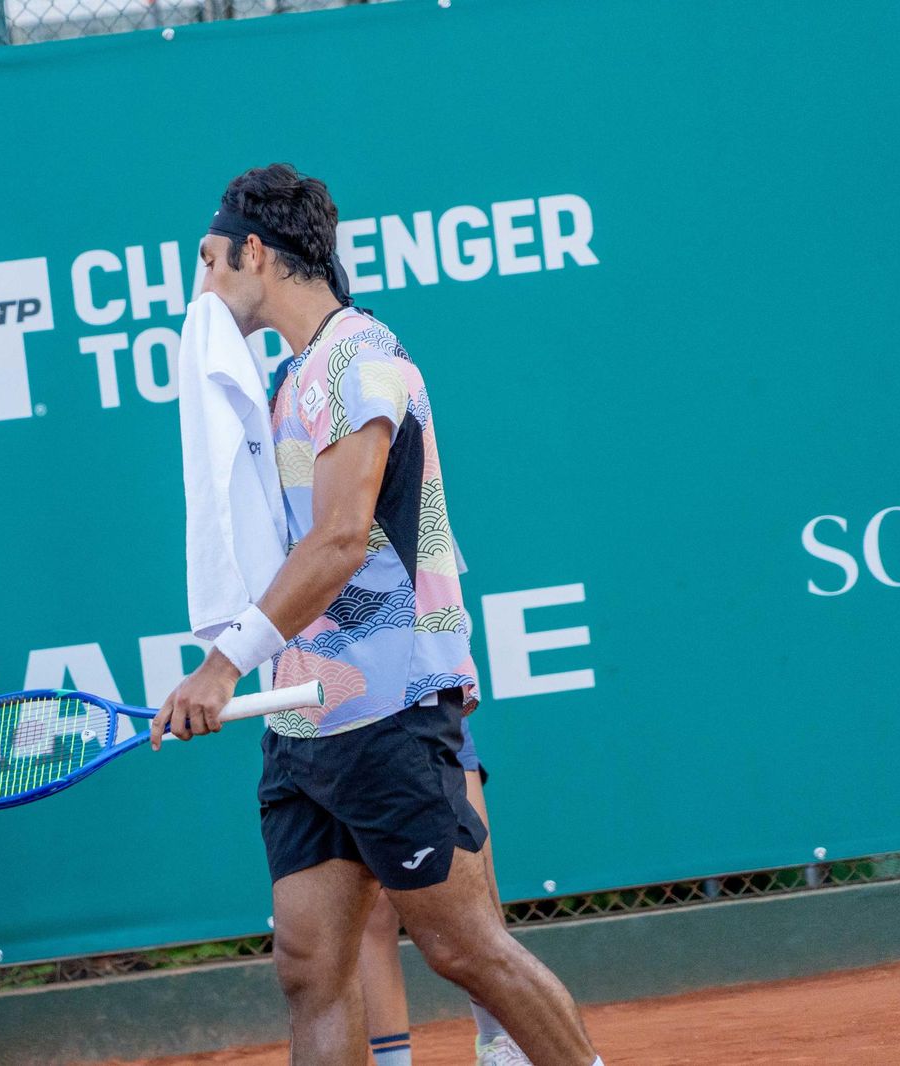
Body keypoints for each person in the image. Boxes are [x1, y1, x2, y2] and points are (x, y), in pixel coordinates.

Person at [154, 164, 602, 1066]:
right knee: (308, 965)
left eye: (209, 261)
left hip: (390, 708)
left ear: (254, 252)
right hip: (303, 717)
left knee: (463, 946)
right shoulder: (287, 379)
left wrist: (223, 663)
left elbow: (341, 540)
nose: (202, 287)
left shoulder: (359, 359)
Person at [360, 721, 533, 1065]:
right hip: (336, 730)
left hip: (425, 710)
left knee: (477, 888)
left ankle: (496, 1043)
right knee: (376, 908)